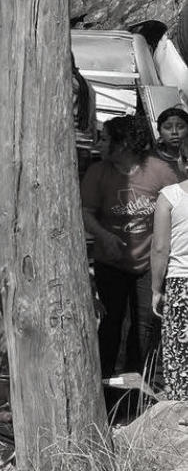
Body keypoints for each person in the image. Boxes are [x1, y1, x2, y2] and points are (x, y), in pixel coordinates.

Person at [81, 115, 178, 380]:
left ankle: (138, 386)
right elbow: (86, 211)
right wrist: (103, 236)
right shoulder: (97, 172)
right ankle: (103, 384)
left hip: (149, 263)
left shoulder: (159, 171)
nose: (98, 144)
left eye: (105, 139)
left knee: (145, 325)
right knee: (110, 323)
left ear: (123, 144)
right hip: (110, 262)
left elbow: (180, 208)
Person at [151, 138, 188, 399]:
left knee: (179, 349)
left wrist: (155, 288)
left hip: (180, 283)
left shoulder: (170, 196)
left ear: (182, 161)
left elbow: (161, 248)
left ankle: (181, 406)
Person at [154, 107, 188, 175]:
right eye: (168, 127)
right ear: (160, 132)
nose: (174, 132)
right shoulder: (154, 163)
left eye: (180, 127)